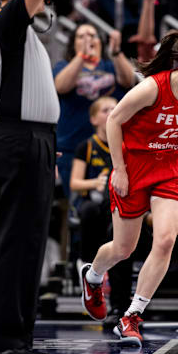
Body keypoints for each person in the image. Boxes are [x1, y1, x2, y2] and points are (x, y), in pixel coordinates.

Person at [80, 30, 178, 344]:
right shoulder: (152, 89)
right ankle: (92, 276)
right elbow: (114, 121)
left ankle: (131, 316)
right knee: (123, 248)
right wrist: (118, 168)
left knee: (166, 239)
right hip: (134, 167)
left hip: (171, 168)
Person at [0, 0, 69, 354]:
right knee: (16, 240)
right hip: (19, 139)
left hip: (33, 140)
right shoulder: (6, 23)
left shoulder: (0, 24)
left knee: (27, 241)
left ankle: (17, 339)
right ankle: (1, 343)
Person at [54, 23, 135, 197]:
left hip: (110, 147)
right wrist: (81, 57)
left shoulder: (109, 66)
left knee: (113, 199)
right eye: (81, 36)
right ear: (73, 42)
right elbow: (60, 86)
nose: (87, 39)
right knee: (78, 203)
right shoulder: (64, 65)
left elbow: (129, 81)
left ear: (100, 41)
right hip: (73, 145)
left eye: (92, 35)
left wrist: (116, 52)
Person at [70, 96, 117, 263]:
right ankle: (87, 263)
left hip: (116, 200)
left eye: (114, 109)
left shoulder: (125, 144)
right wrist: (95, 183)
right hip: (91, 201)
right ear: (94, 119)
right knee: (91, 211)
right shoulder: (87, 146)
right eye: (105, 110)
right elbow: (74, 183)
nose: (111, 113)